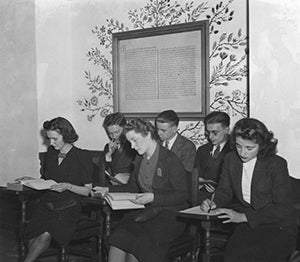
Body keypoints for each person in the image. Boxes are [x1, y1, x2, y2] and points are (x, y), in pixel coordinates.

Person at [200, 118, 297, 262]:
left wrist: (243, 217)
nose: (242, 153)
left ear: (262, 145)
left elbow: (283, 209)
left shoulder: (276, 164)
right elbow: (224, 191)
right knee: (232, 257)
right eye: (238, 146)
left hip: (277, 226)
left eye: (249, 148)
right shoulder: (230, 160)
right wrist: (214, 202)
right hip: (248, 225)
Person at [93, 118, 188, 262]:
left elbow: (182, 195)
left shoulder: (170, 160)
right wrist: (108, 189)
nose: (132, 146)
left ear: (148, 135)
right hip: (145, 211)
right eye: (129, 141)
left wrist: (153, 197)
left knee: (138, 245)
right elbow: (132, 187)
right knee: (118, 238)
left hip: (170, 215)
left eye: (135, 140)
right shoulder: (138, 158)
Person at [24, 117, 93, 262]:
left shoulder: (82, 156)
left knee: (45, 234)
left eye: (54, 139)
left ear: (66, 136)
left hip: (69, 205)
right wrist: (29, 180)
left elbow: (87, 190)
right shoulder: (51, 153)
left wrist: (68, 186)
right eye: (49, 139)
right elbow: (47, 179)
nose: (51, 143)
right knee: (32, 233)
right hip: (48, 202)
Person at [194, 111, 231, 203]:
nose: (210, 137)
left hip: (226, 202)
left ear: (226, 130)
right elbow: (195, 175)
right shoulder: (202, 150)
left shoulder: (235, 151)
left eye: (215, 133)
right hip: (201, 200)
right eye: (208, 132)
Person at [102, 112, 136, 184]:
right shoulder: (108, 147)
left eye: (117, 132)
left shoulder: (134, 145)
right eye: (110, 133)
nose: (114, 136)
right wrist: (108, 155)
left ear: (124, 128)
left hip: (130, 186)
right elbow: (102, 173)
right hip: (112, 186)